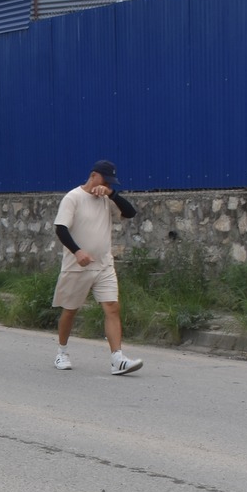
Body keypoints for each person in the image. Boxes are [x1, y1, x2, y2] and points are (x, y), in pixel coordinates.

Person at [51, 160, 141, 375]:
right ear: (93, 176)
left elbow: (130, 213)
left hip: (104, 265)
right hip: (77, 266)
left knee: (112, 306)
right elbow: (61, 228)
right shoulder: (73, 198)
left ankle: (117, 358)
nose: (107, 185)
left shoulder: (107, 199)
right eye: (105, 180)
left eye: (110, 183)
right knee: (70, 310)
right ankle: (62, 352)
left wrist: (112, 194)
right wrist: (77, 251)